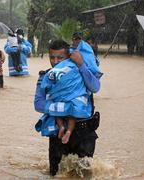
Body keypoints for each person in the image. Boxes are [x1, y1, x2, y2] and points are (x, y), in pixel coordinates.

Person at [34, 39, 102, 176]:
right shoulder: (46, 77)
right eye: (52, 57)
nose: (55, 61)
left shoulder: (79, 72)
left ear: (69, 57)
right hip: (57, 132)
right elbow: (38, 104)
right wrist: (67, 108)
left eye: (60, 57)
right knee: (56, 173)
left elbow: (95, 87)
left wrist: (81, 64)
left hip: (84, 131)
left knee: (84, 173)